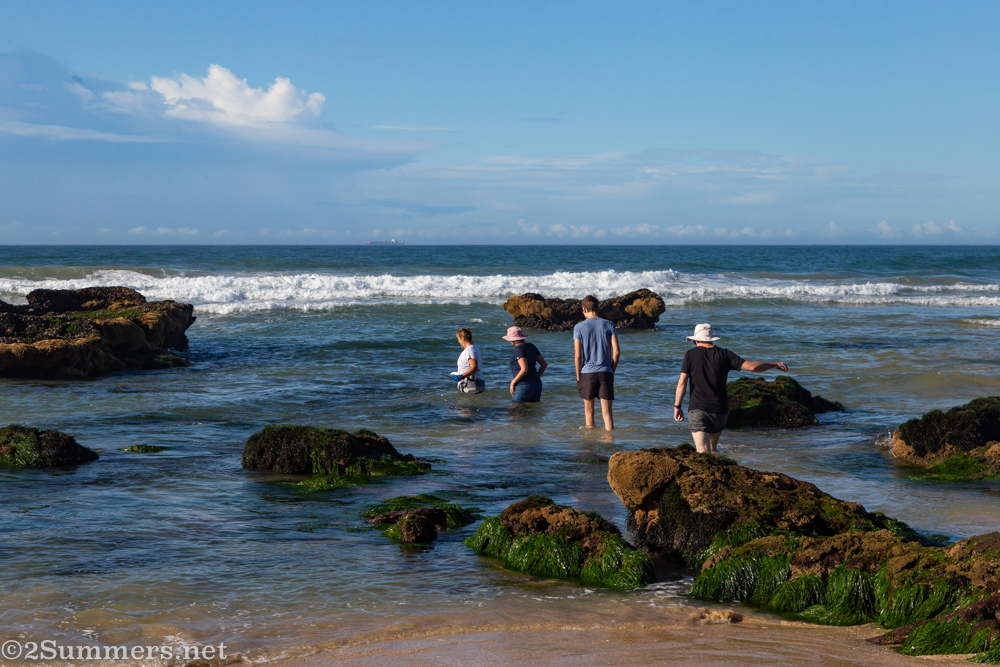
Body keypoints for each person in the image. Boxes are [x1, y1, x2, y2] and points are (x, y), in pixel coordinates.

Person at [673, 323, 788, 453]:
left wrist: (677, 406)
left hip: (698, 409)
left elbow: (682, 383)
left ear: (696, 340)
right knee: (712, 450)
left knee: (703, 454)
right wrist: (774, 364)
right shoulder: (725, 354)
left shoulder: (690, 355)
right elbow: (753, 367)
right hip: (719, 411)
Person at [573, 295, 620, 430]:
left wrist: (578, 374)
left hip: (587, 373)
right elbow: (616, 352)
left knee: (589, 412)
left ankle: (590, 446)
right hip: (605, 371)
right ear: (598, 308)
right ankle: (610, 444)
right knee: (607, 414)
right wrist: (611, 370)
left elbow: (578, 355)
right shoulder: (609, 324)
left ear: (583, 309)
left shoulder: (578, 327)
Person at [502, 326, 547, 402]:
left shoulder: (519, 349)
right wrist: (536, 377)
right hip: (537, 384)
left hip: (523, 385)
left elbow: (524, 369)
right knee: (531, 412)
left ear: (514, 339)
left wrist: (513, 382)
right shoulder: (531, 346)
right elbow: (544, 365)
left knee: (515, 410)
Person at [453, 328, 486, 394]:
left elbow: (474, 367)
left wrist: (461, 376)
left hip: (471, 384)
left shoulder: (469, 350)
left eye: (458, 339)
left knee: (468, 404)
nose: (458, 341)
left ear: (462, 338)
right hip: (474, 383)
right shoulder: (473, 348)